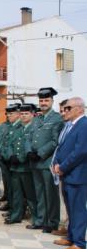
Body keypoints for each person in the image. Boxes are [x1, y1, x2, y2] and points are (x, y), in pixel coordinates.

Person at [27, 87, 64, 233]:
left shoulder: (57, 119)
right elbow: (28, 137)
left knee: (50, 193)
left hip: (48, 162)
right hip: (35, 162)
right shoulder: (36, 119)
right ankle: (41, 220)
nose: (43, 103)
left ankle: (52, 221)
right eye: (41, 100)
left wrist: (40, 153)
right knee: (39, 192)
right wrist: (29, 151)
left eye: (46, 100)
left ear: (52, 101)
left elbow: (56, 141)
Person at [52, 97, 87, 249]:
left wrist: (63, 166)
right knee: (70, 209)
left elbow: (80, 151)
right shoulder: (71, 125)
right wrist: (57, 165)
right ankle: (71, 237)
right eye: (64, 108)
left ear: (80, 108)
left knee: (78, 209)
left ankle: (79, 242)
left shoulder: (84, 125)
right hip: (67, 174)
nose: (65, 111)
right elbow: (63, 147)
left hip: (77, 175)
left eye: (68, 108)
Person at [6, 104, 40, 227]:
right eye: (22, 114)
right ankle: (16, 216)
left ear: (32, 114)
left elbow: (32, 146)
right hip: (15, 167)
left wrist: (20, 158)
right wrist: (11, 156)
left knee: (31, 195)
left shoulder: (35, 128)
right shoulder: (17, 128)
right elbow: (10, 144)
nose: (24, 116)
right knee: (17, 194)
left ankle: (36, 218)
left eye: (26, 113)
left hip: (27, 167)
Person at [51, 99, 70, 237]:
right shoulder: (66, 126)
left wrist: (62, 166)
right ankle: (68, 227)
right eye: (61, 110)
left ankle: (75, 236)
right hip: (61, 170)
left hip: (71, 170)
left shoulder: (80, 126)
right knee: (67, 203)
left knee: (76, 206)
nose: (62, 113)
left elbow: (79, 151)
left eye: (65, 110)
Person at [0, 104, 21, 214]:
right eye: (8, 114)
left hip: (15, 160)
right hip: (5, 159)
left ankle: (17, 209)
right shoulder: (7, 126)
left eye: (11, 113)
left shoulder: (20, 126)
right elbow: (3, 143)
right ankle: (11, 205)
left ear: (18, 114)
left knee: (16, 187)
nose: (9, 116)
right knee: (9, 185)